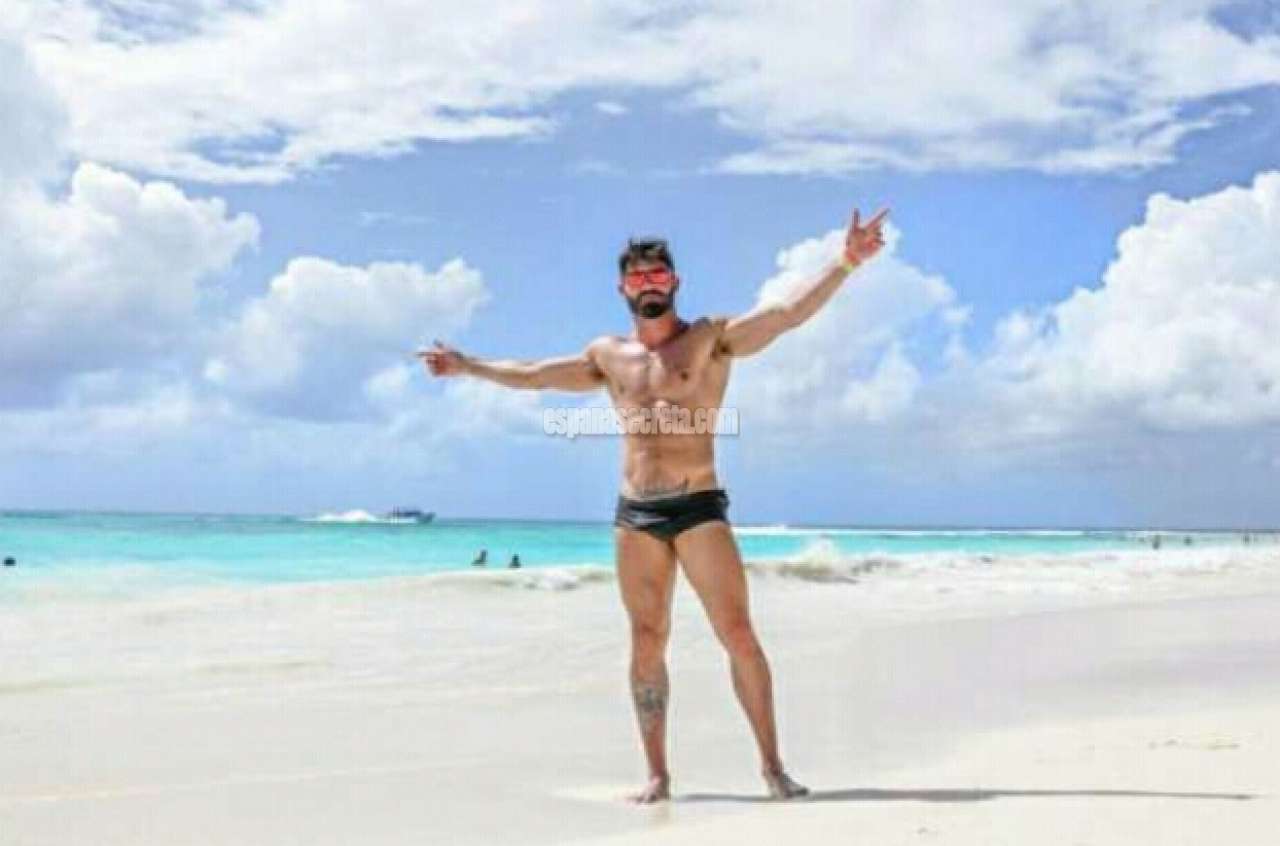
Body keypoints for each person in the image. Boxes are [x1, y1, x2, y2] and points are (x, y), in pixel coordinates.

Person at [419, 207, 888, 803]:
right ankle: (658, 776)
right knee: (646, 639)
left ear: (675, 282)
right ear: (623, 288)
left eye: (657, 274)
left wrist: (845, 261)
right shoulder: (608, 356)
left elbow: (786, 315)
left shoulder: (711, 339)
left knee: (738, 634)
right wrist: (468, 366)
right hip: (636, 516)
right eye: (637, 276)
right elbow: (535, 374)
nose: (648, 283)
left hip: (698, 507)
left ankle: (773, 768)